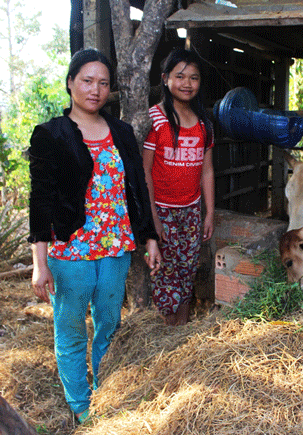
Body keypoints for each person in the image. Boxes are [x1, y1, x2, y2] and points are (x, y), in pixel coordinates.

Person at [28, 48, 161, 423]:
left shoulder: (120, 132)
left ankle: (105, 393)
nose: (95, 90)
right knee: (71, 329)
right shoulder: (50, 135)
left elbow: (136, 187)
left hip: (115, 247)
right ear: (70, 83)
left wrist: (149, 237)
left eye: (103, 83)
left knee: (109, 324)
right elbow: (40, 203)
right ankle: (81, 407)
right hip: (70, 251)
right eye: (87, 80)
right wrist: (40, 265)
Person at [143, 48, 215, 326]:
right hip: (163, 209)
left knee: (187, 268)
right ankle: (165, 328)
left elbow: (207, 170)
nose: (187, 83)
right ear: (165, 79)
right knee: (164, 271)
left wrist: (208, 212)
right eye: (180, 76)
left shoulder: (204, 124)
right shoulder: (156, 120)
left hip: (191, 210)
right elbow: (146, 172)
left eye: (194, 78)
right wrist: (153, 219)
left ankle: (181, 328)